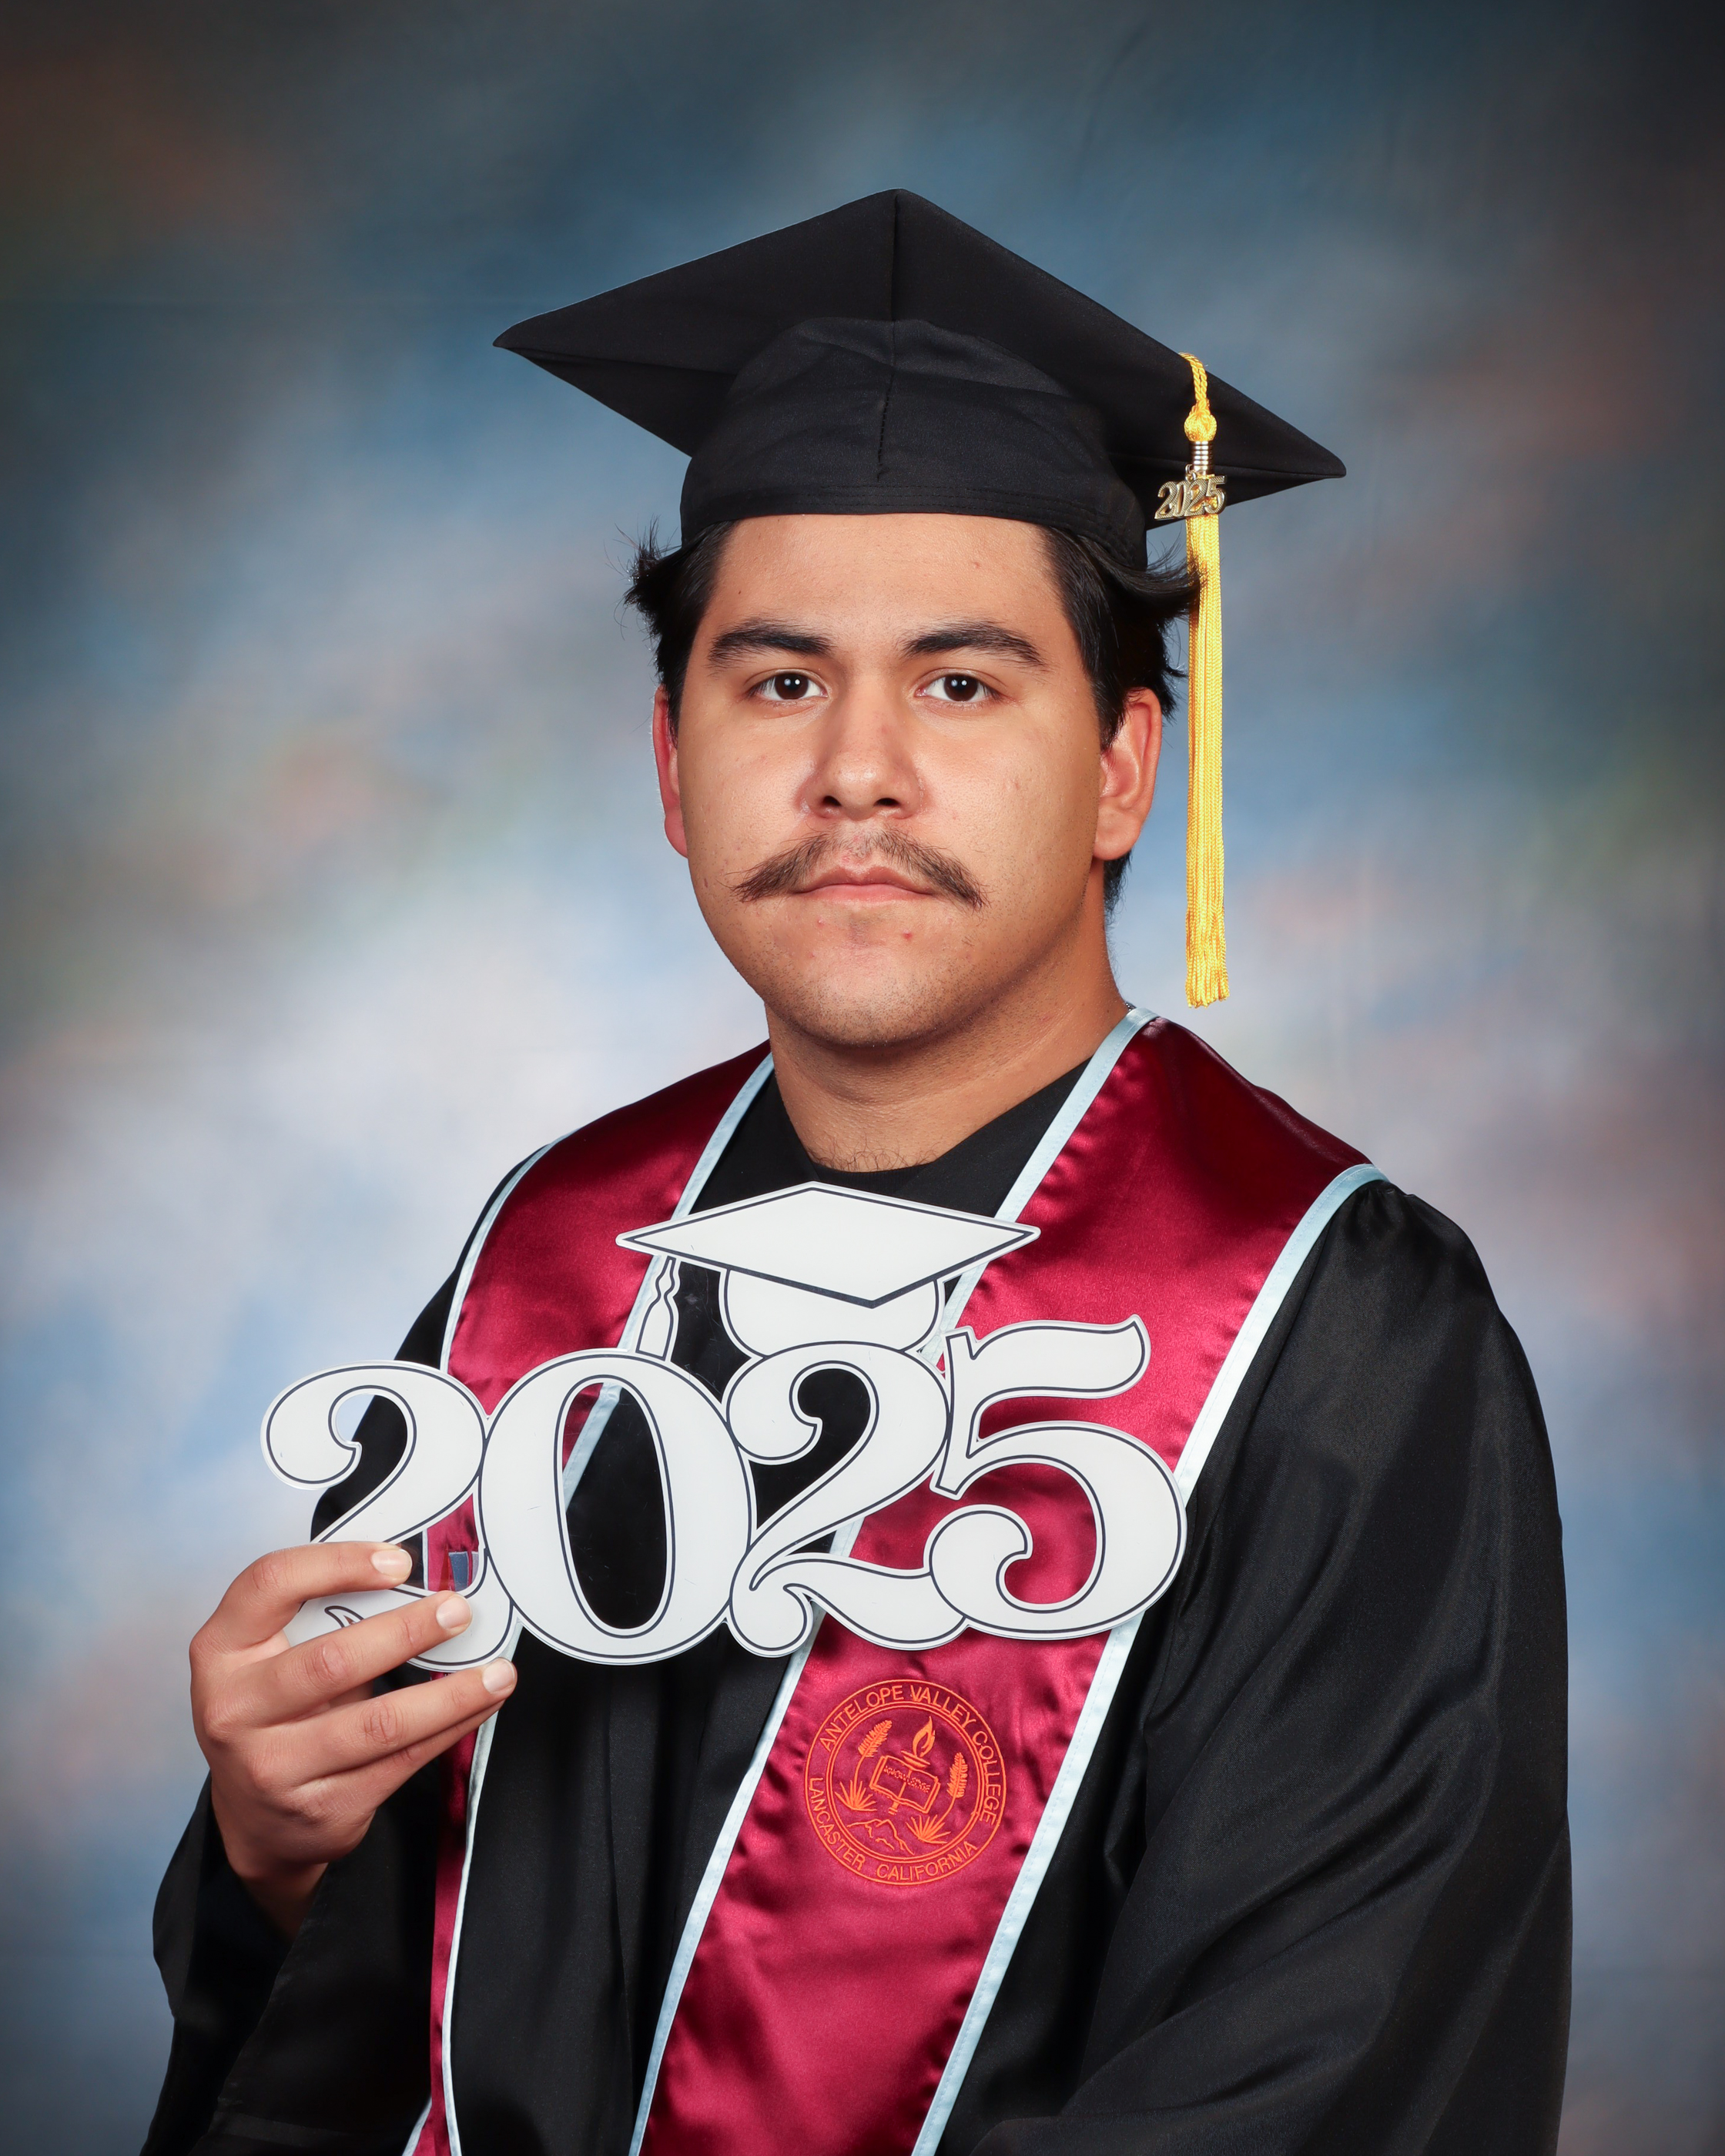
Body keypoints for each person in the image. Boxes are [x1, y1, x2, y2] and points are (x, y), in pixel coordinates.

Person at [142, 192, 1569, 2156]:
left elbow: (1319, 2068)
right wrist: (279, 1846)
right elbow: (403, 1994)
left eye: (961, 683)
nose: (857, 771)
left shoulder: (1333, 1329)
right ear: (673, 762)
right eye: (780, 681)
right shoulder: (545, 1261)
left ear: (1122, 768)